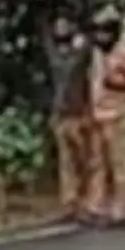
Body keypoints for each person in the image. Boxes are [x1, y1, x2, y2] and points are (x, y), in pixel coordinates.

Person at [85, 12, 125, 228]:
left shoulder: (124, 53)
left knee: (119, 163)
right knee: (97, 163)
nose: (100, 36)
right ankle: (95, 207)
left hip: (118, 114)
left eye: (105, 32)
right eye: (97, 31)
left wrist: (118, 86)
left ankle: (119, 211)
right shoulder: (96, 54)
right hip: (97, 114)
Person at [45, 12, 98, 225]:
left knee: (83, 161)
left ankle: (85, 203)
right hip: (63, 114)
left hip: (77, 114)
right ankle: (71, 203)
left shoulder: (77, 55)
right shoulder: (57, 56)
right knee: (68, 163)